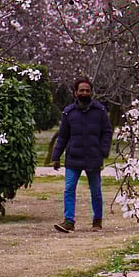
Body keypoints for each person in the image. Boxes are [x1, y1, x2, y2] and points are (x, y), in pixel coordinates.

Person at [51, 78, 112, 233]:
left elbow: (107, 132)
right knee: (69, 189)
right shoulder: (68, 112)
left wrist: (103, 151)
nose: (84, 93)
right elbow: (63, 136)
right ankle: (69, 221)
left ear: (91, 92)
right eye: (81, 90)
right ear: (75, 92)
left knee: (96, 191)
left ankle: (97, 221)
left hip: (93, 157)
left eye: (87, 90)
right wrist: (56, 156)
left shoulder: (100, 111)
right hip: (73, 158)